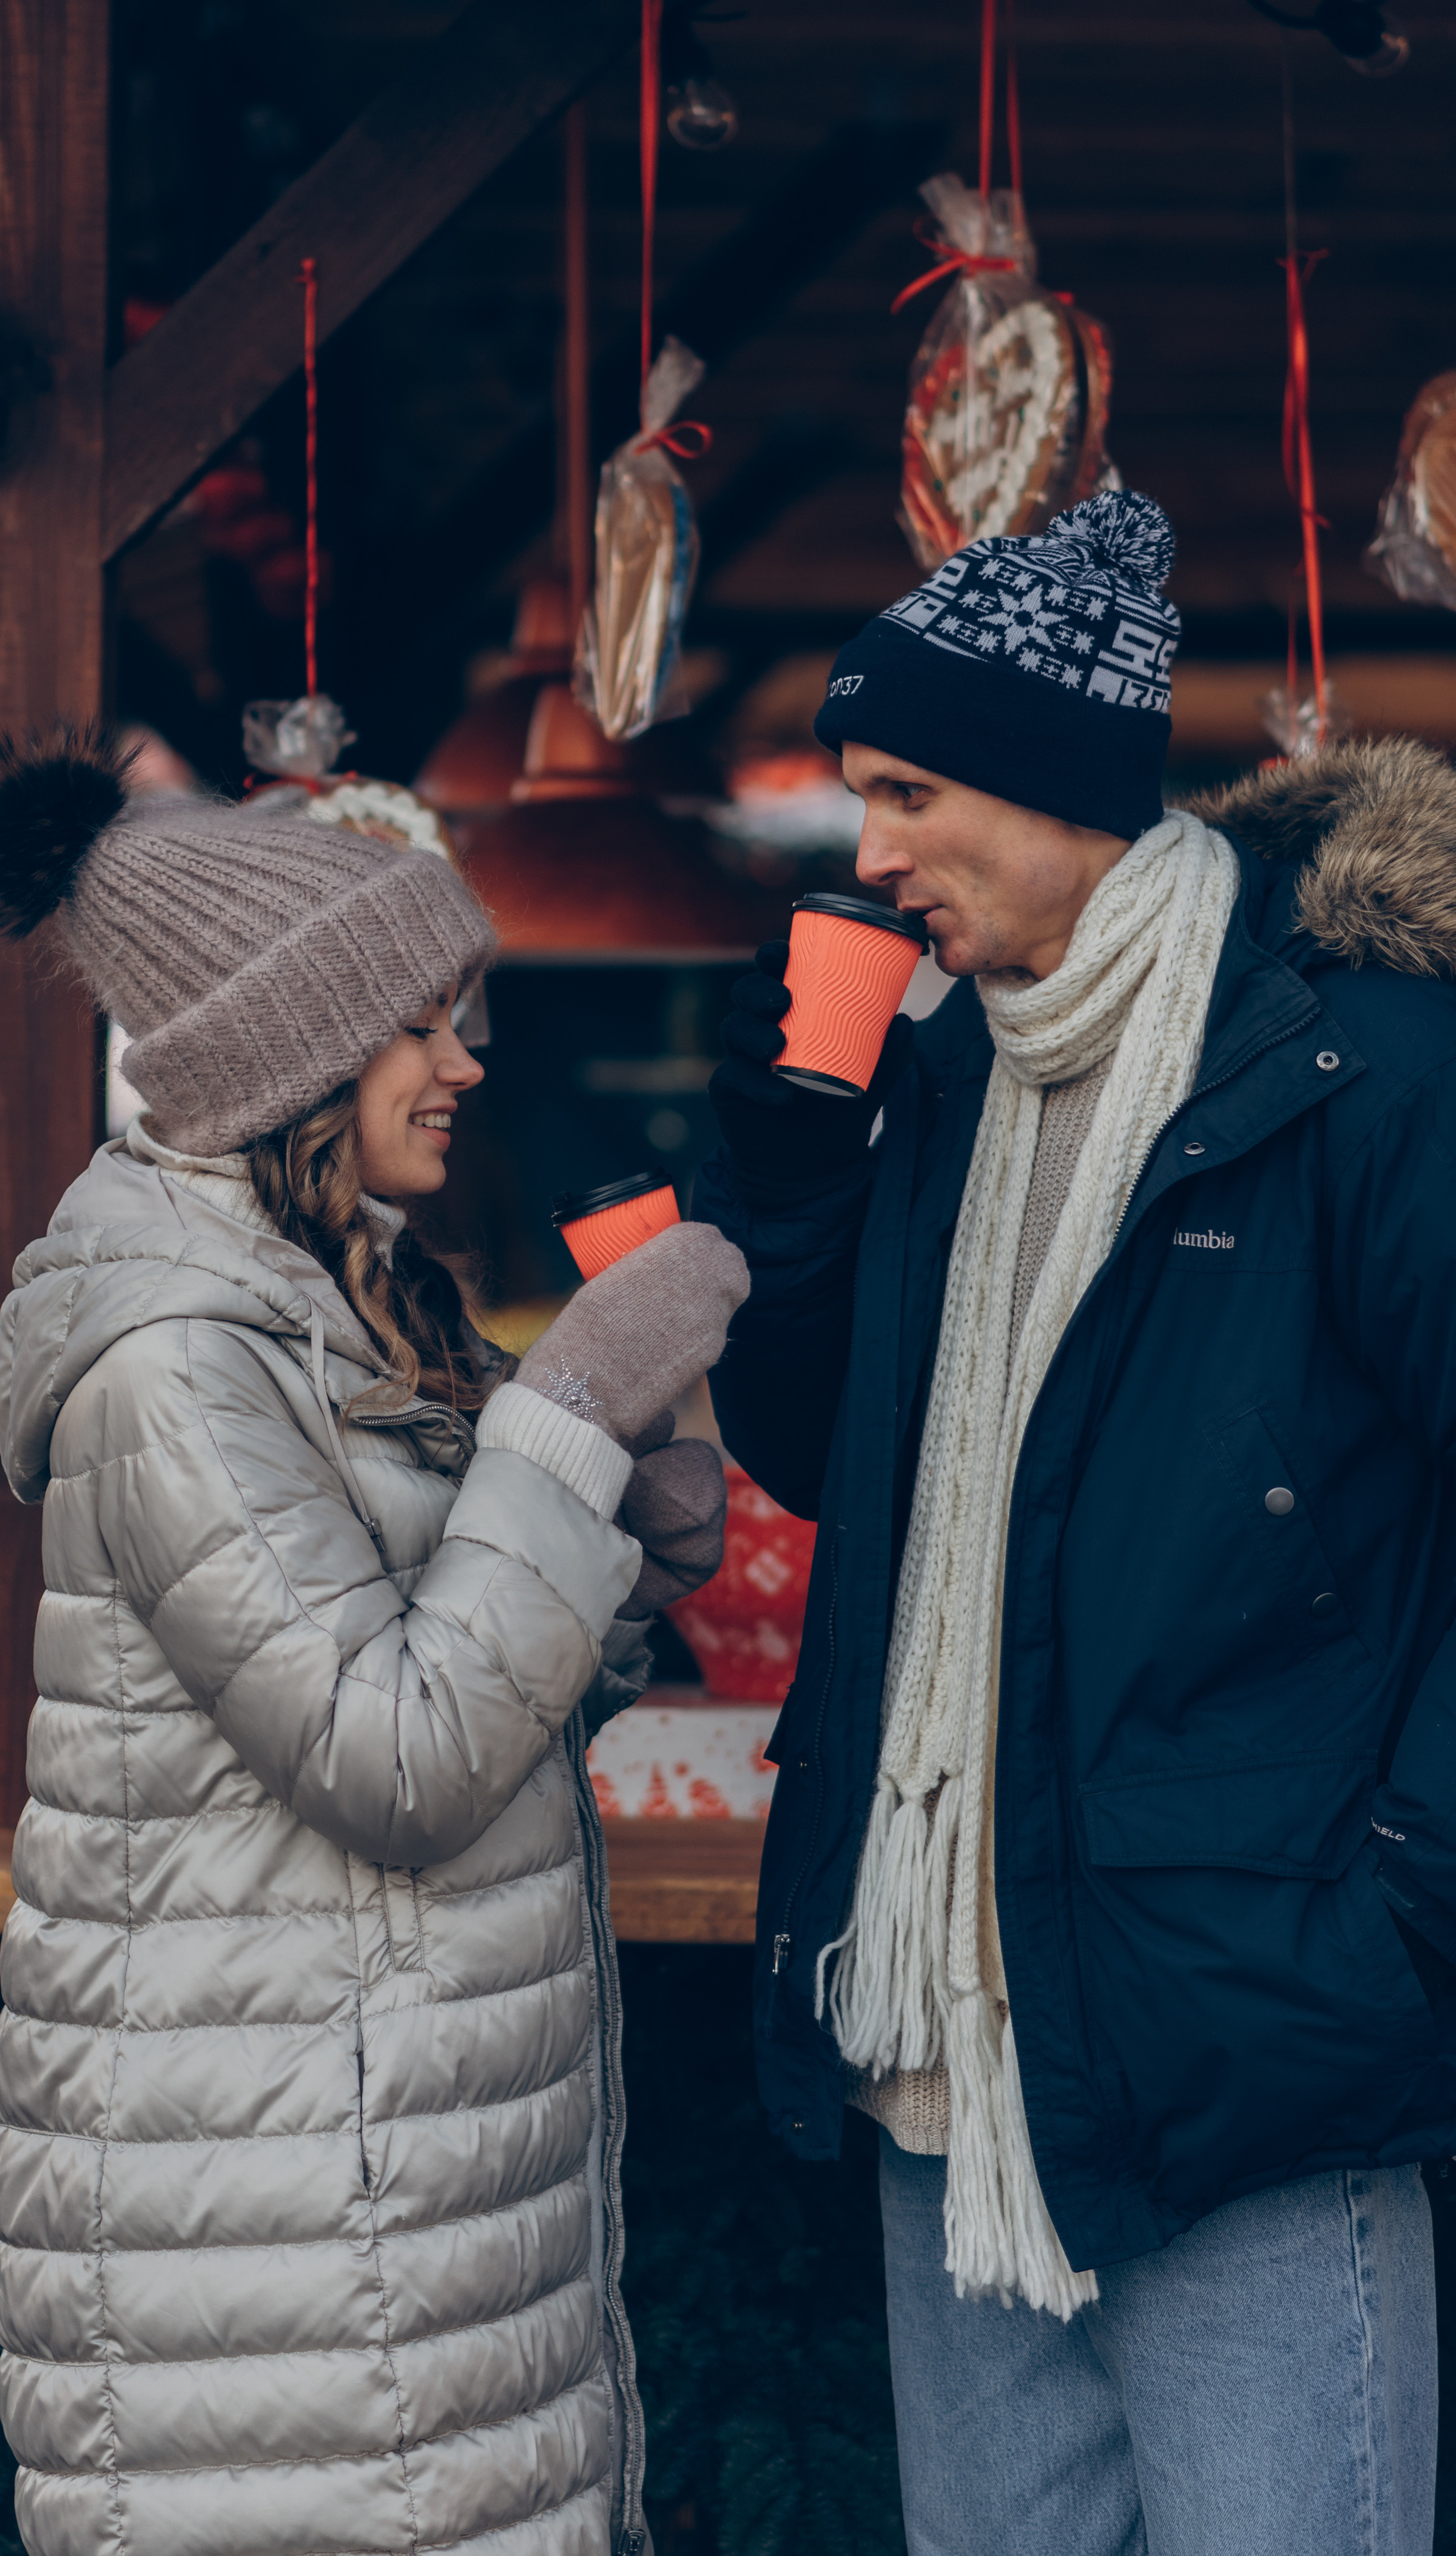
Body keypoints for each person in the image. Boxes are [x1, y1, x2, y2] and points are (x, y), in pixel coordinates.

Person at [693, 489, 1456, 2556]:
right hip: (944, 2059)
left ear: (1055, 784)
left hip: (1244, 2055)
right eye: (861, 795)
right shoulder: (943, 1078)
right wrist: (801, 1163)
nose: (869, 852)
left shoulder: (1352, 1063)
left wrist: (1388, 1906)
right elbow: (818, 1455)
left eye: (909, 789)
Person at [0, 731, 748, 2556]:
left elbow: (459, 1671)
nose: (468, 1059)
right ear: (292, 1053)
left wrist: (624, 1553)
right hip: (272, 2252)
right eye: (422, 1017)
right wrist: (557, 1431)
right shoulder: (172, 1362)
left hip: (395, 2214)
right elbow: (395, 1756)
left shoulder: (350, 1298)